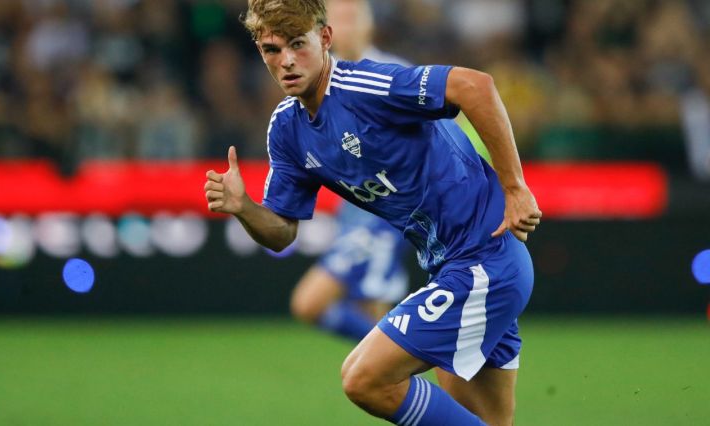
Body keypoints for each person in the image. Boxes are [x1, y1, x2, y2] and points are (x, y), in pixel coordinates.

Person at [204, 1, 542, 424]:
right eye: (273, 50)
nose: (287, 60)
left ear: (325, 38)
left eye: (298, 44)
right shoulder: (287, 129)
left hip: (485, 261)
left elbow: (475, 86)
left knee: (363, 378)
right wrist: (244, 209)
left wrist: (514, 186)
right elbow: (282, 232)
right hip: (452, 268)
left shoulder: (366, 86)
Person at [289, 0, 410, 341]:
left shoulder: (394, 72)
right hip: (352, 211)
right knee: (373, 312)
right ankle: (397, 362)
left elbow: (435, 135)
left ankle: (406, 357)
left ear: (368, 24)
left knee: (309, 302)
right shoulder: (317, 82)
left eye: (352, 17)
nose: (346, 26)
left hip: (390, 213)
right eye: (338, 19)